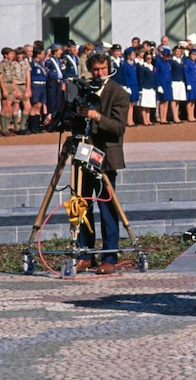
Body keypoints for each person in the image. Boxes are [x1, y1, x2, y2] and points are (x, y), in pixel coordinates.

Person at [73, 52, 130, 275]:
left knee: (107, 207)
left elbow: (118, 128)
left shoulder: (118, 93)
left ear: (109, 67)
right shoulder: (84, 88)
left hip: (105, 157)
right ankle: (86, 254)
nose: (99, 73)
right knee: (82, 204)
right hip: (84, 153)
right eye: (95, 69)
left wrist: (96, 116)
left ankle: (109, 257)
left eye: (102, 69)